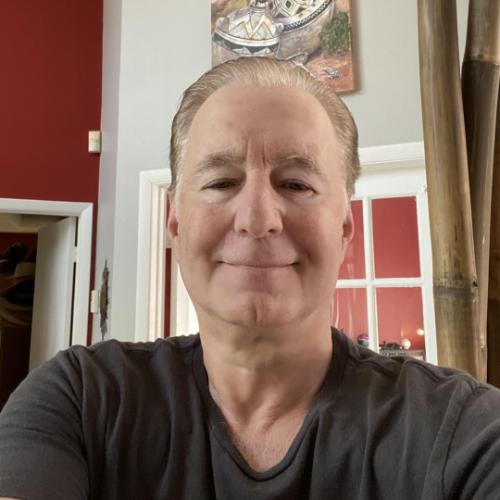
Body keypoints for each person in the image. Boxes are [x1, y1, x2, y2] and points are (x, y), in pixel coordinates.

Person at [1, 57, 499, 500]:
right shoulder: (79, 400)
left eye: (296, 184)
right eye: (221, 182)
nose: (257, 219)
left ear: (344, 228)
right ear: (175, 221)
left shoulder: (466, 432)